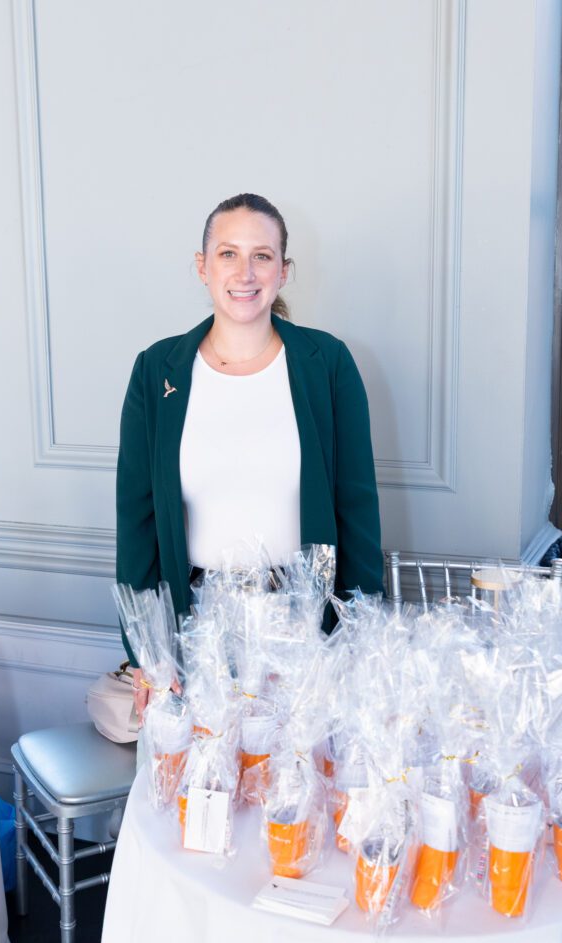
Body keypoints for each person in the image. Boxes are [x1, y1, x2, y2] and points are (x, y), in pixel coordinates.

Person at [115, 193, 384, 716]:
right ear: (202, 267)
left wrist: (359, 636)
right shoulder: (156, 370)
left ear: (283, 271)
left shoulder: (327, 363)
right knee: (202, 790)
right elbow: (137, 517)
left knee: (295, 786)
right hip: (195, 630)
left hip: (304, 627)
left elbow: (357, 509)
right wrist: (145, 652)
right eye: (227, 253)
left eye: (262, 255)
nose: (245, 272)